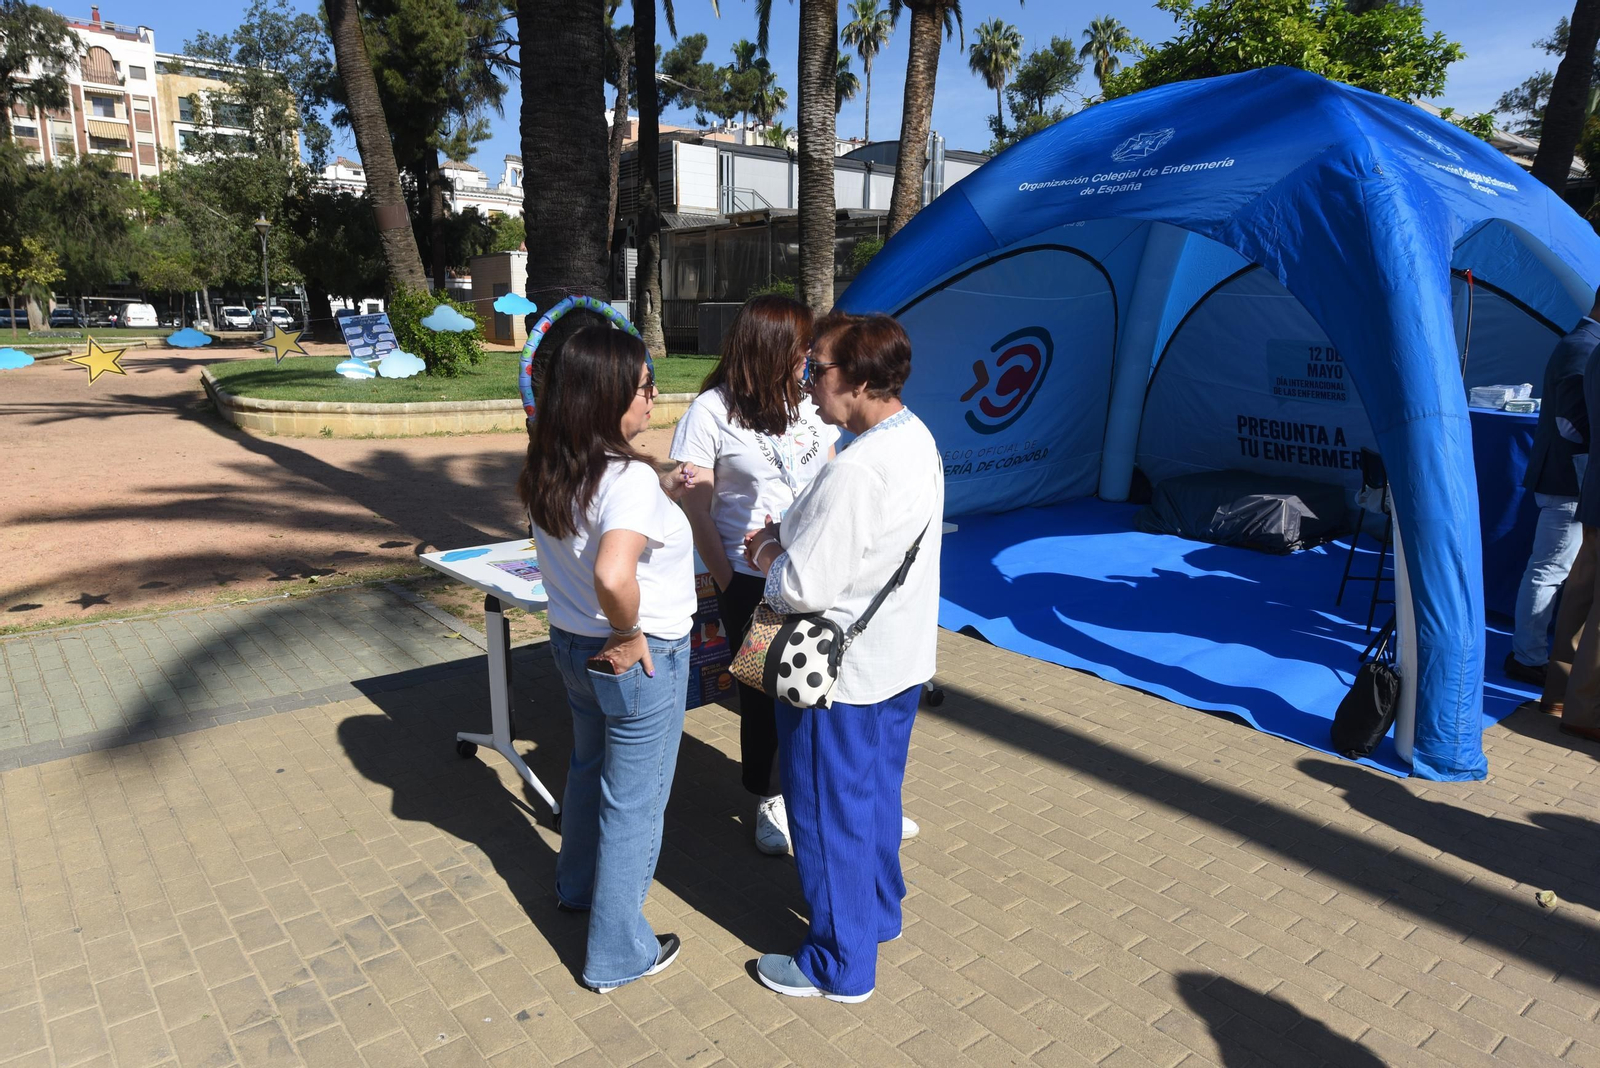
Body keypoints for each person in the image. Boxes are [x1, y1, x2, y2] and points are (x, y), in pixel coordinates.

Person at [742, 312, 944, 1002]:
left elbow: (802, 585)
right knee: (872, 800)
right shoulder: (915, 438)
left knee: (826, 815)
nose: (806, 386)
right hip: (897, 660)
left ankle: (838, 962)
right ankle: (877, 913)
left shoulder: (858, 469)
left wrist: (767, 551)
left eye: (815, 369)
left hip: (839, 676)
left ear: (859, 379)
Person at [519, 324, 695, 992]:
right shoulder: (624, 480)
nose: (654, 398)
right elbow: (616, 575)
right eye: (644, 386)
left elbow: (602, 533)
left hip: (570, 643)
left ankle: (576, 886)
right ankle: (619, 952)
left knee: (590, 769)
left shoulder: (552, 459)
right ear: (609, 395)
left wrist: (660, 488)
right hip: (633, 658)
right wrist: (629, 634)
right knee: (635, 802)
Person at [670, 296, 840, 855]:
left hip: (813, 565)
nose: (810, 357)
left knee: (826, 679)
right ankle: (770, 797)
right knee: (765, 690)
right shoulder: (711, 412)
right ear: (770, 349)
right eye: (801, 347)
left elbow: (834, 473)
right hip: (749, 576)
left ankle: (835, 794)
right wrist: (723, 575)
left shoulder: (811, 403)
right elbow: (694, 506)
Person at [1506, 297, 1600, 686]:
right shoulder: (1584, 347)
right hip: (1570, 482)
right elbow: (1573, 424)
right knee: (1549, 570)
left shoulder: (1582, 343)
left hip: (1569, 479)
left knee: (1554, 570)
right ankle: (1527, 656)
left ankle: (1531, 652)